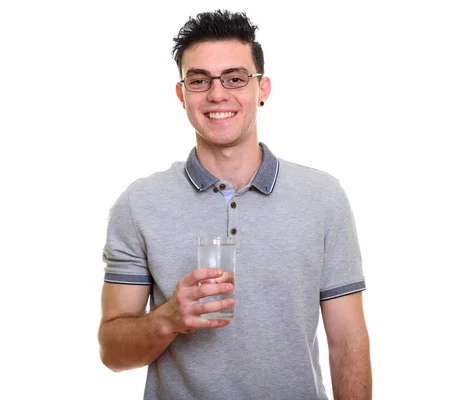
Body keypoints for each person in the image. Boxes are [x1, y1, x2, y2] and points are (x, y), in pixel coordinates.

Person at [98, 10, 371, 400]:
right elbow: (112, 351)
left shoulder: (323, 197)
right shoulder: (138, 205)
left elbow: (348, 342)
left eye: (235, 78)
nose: (217, 94)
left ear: (263, 89)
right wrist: (167, 320)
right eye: (199, 80)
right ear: (182, 95)